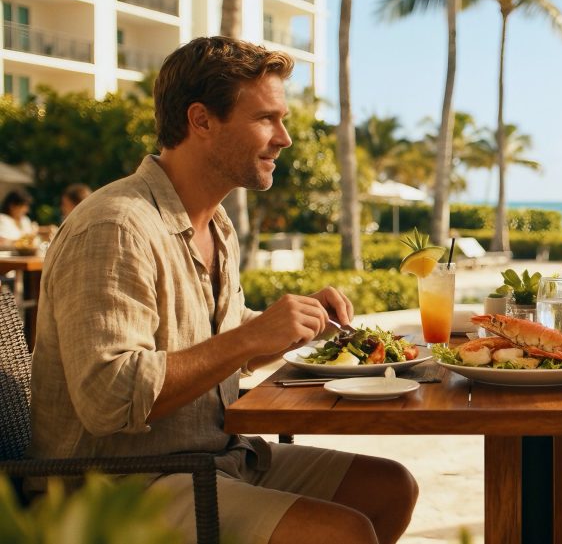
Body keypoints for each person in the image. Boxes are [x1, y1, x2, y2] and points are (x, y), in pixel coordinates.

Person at [29, 37, 417, 544]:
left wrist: (290, 327)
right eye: (266, 119)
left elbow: (217, 339)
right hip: (117, 486)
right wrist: (248, 340)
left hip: (214, 458)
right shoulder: (116, 226)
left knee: (389, 488)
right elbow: (109, 398)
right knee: (340, 533)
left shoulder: (218, 226)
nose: (285, 138)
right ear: (201, 120)